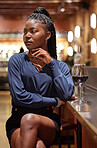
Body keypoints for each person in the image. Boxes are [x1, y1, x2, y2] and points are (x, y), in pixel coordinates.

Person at [6, 7, 74, 148]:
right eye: (25, 32)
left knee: (29, 119)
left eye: (33, 31)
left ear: (47, 35)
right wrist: (54, 101)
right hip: (17, 120)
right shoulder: (16, 61)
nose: (27, 36)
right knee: (38, 146)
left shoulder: (60, 66)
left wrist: (52, 63)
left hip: (47, 121)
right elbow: (19, 96)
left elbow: (67, 94)